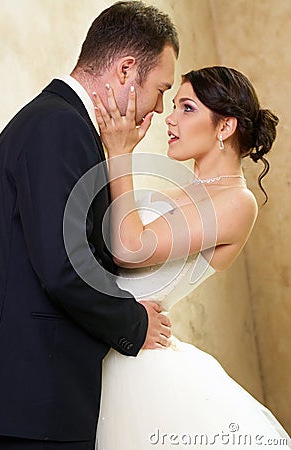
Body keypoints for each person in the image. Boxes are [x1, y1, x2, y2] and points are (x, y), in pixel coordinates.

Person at [0, 2, 179, 449]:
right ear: (127, 69)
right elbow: (64, 265)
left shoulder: (54, 121)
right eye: (160, 88)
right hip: (35, 400)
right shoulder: (60, 127)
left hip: (30, 399)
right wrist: (134, 323)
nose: (159, 106)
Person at [93, 66, 291, 449]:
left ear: (224, 127)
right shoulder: (188, 190)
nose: (169, 117)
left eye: (186, 108)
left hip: (136, 369)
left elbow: (131, 248)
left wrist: (119, 152)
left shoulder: (237, 202)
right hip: (111, 338)